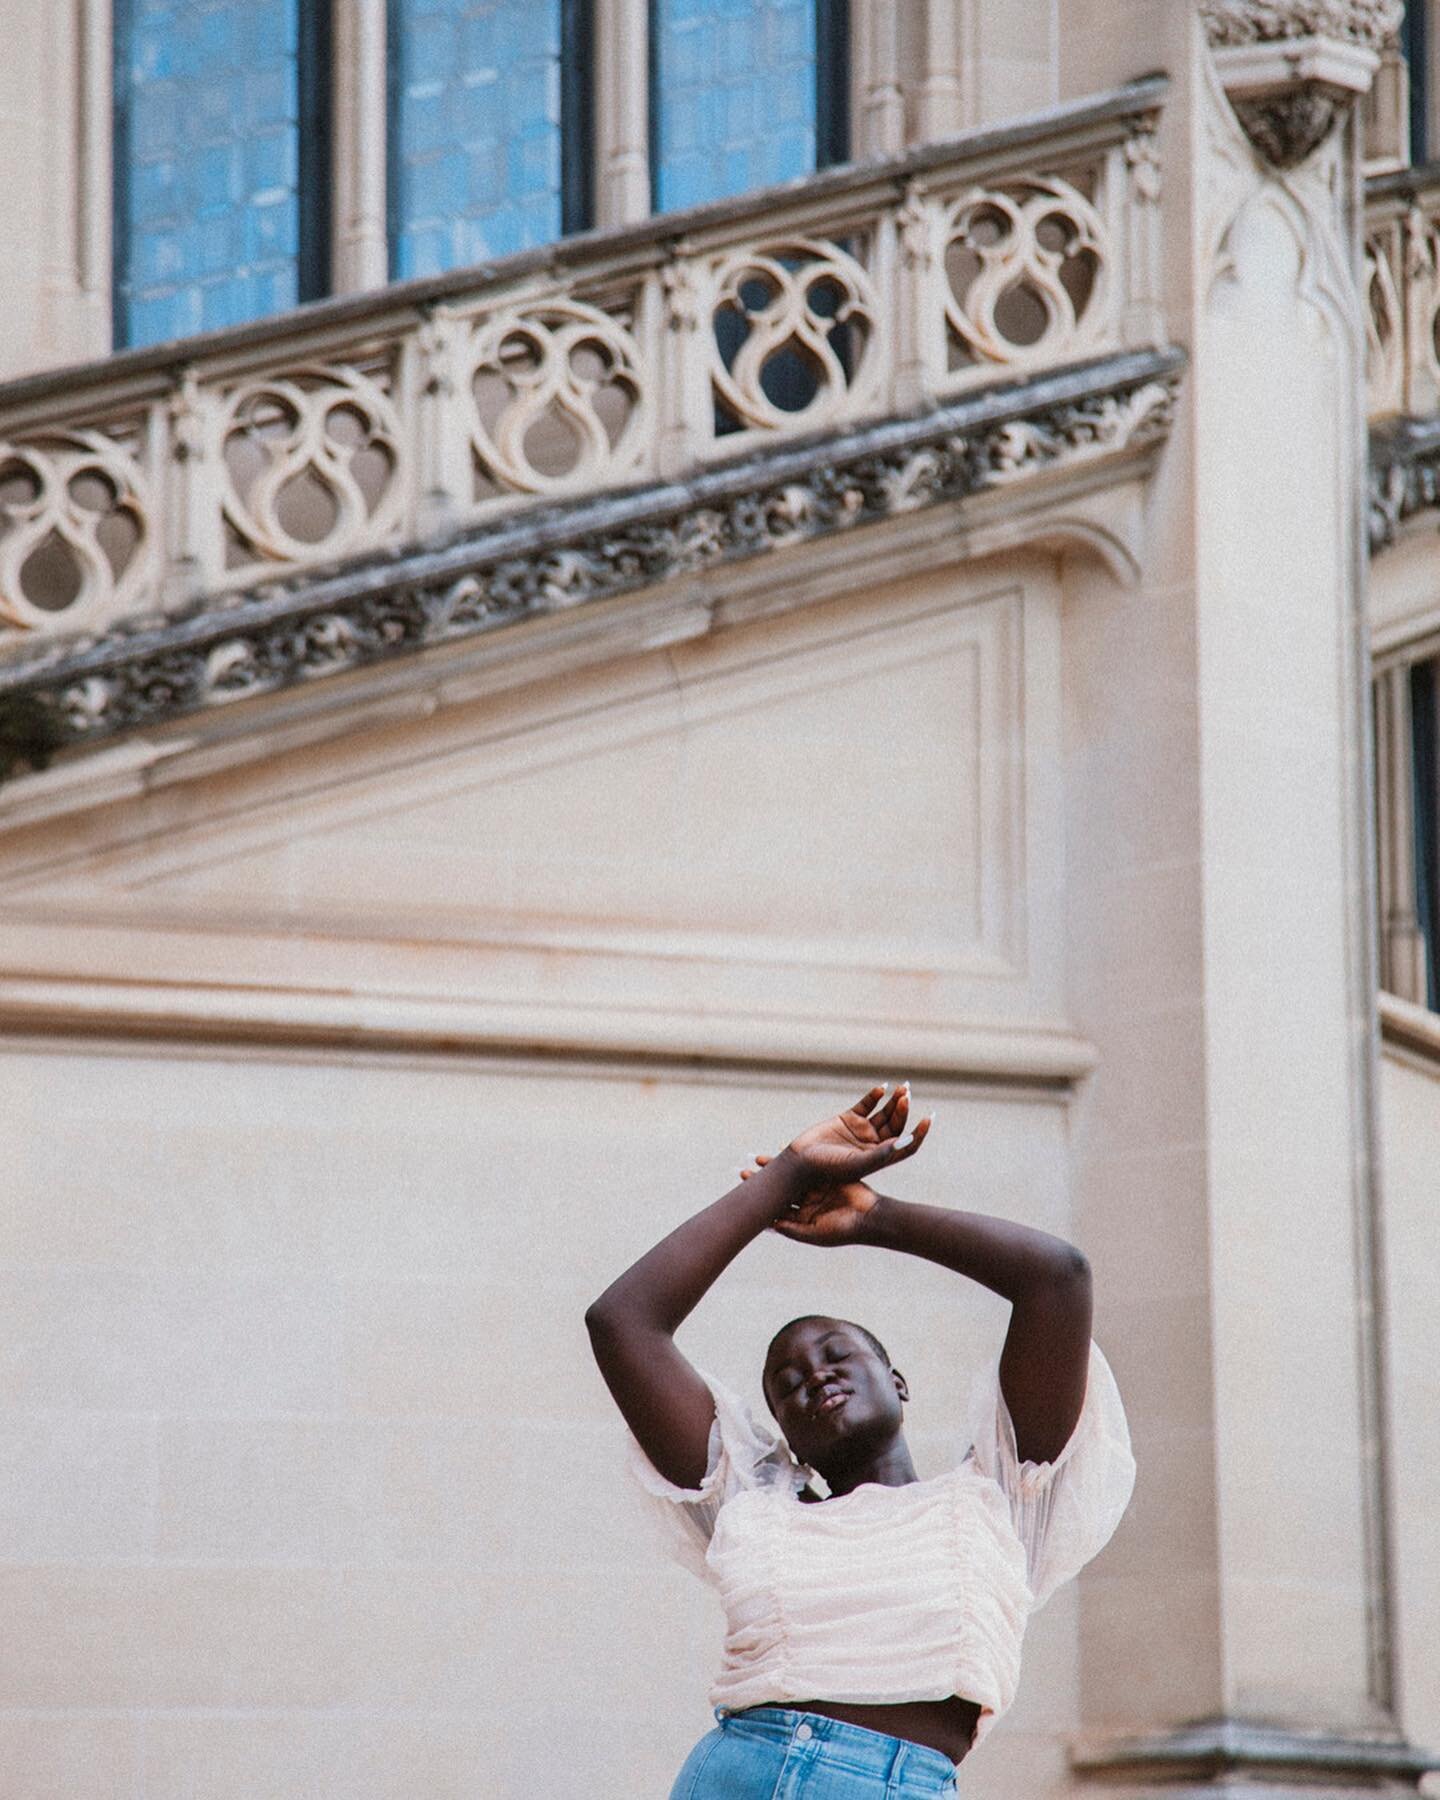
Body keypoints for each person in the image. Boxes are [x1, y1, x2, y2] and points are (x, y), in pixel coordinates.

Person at [585, 1083, 1135, 1799]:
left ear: (897, 1381)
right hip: (737, 1773)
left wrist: (873, 1216)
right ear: (780, 1434)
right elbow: (622, 1322)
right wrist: (789, 1172)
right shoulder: (754, 1505)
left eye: (836, 1356)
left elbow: (1056, 1279)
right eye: (785, 1383)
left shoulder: (998, 1499)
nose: (812, 1377)